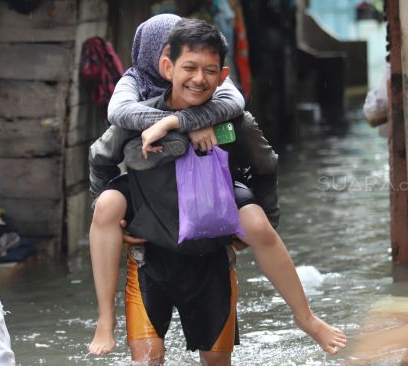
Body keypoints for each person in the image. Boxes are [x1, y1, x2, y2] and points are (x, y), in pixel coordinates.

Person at [123, 18, 347, 364]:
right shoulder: (135, 117)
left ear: (222, 75)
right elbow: (100, 159)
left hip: (211, 254)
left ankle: (306, 318)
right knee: (148, 358)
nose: (199, 78)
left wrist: (262, 223)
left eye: (208, 70)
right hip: (152, 257)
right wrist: (118, 216)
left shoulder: (232, 119)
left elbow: (265, 163)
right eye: (188, 67)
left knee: (217, 358)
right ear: (166, 66)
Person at [87, 13, 249, 355]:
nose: (195, 74)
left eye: (204, 65)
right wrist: (181, 123)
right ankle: (105, 317)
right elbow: (116, 122)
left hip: (205, 205)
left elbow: (238, 106)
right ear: (161, 59)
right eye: (177, 56)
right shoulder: (133, 86)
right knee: (107, 205)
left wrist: (196, 116)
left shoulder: (214, 93)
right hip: (149, 197)